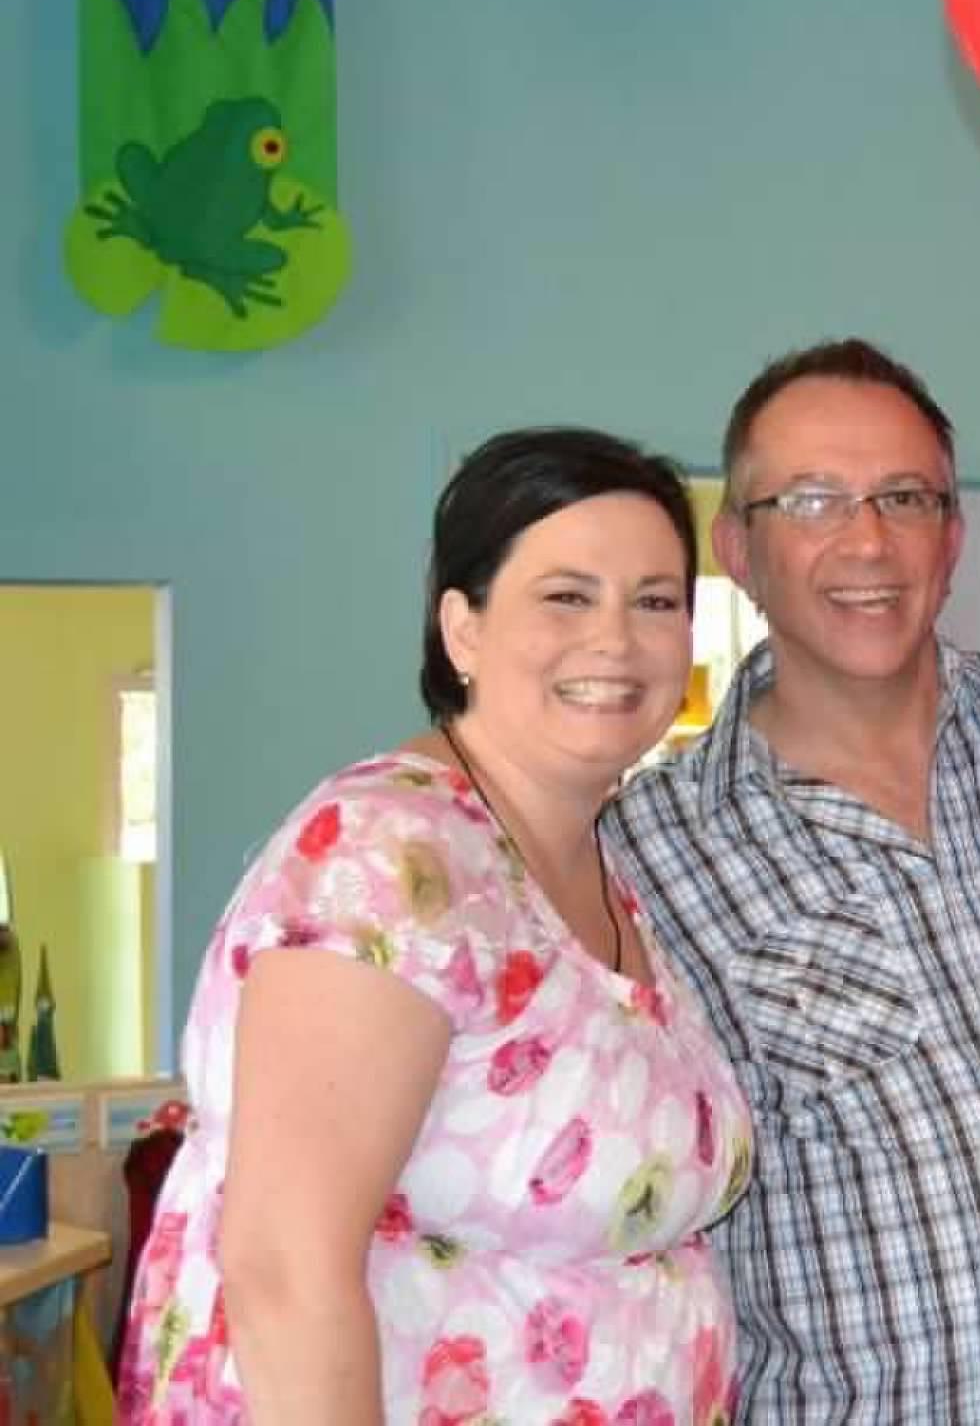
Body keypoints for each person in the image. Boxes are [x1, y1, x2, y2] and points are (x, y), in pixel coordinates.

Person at [119, 428, 753, 1424]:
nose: (617, 639)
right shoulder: (385, 860)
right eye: (566, 595)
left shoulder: (598, 866)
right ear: (462, 627)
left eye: (657, 600)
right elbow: (284, 1267)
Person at [602, 340, 980, 1422]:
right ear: (737, 547)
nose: (867, 540)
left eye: (904, 497)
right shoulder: (642, 856)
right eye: (812, 500)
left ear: (951, 536)